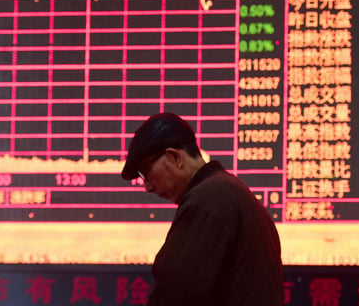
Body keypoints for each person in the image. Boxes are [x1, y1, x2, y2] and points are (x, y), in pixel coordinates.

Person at [121, 112, 284, 306]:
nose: (148, 187)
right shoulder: (229, 191)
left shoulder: (206, 201)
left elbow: (176, 294)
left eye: (146, 172)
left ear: (175, 157)